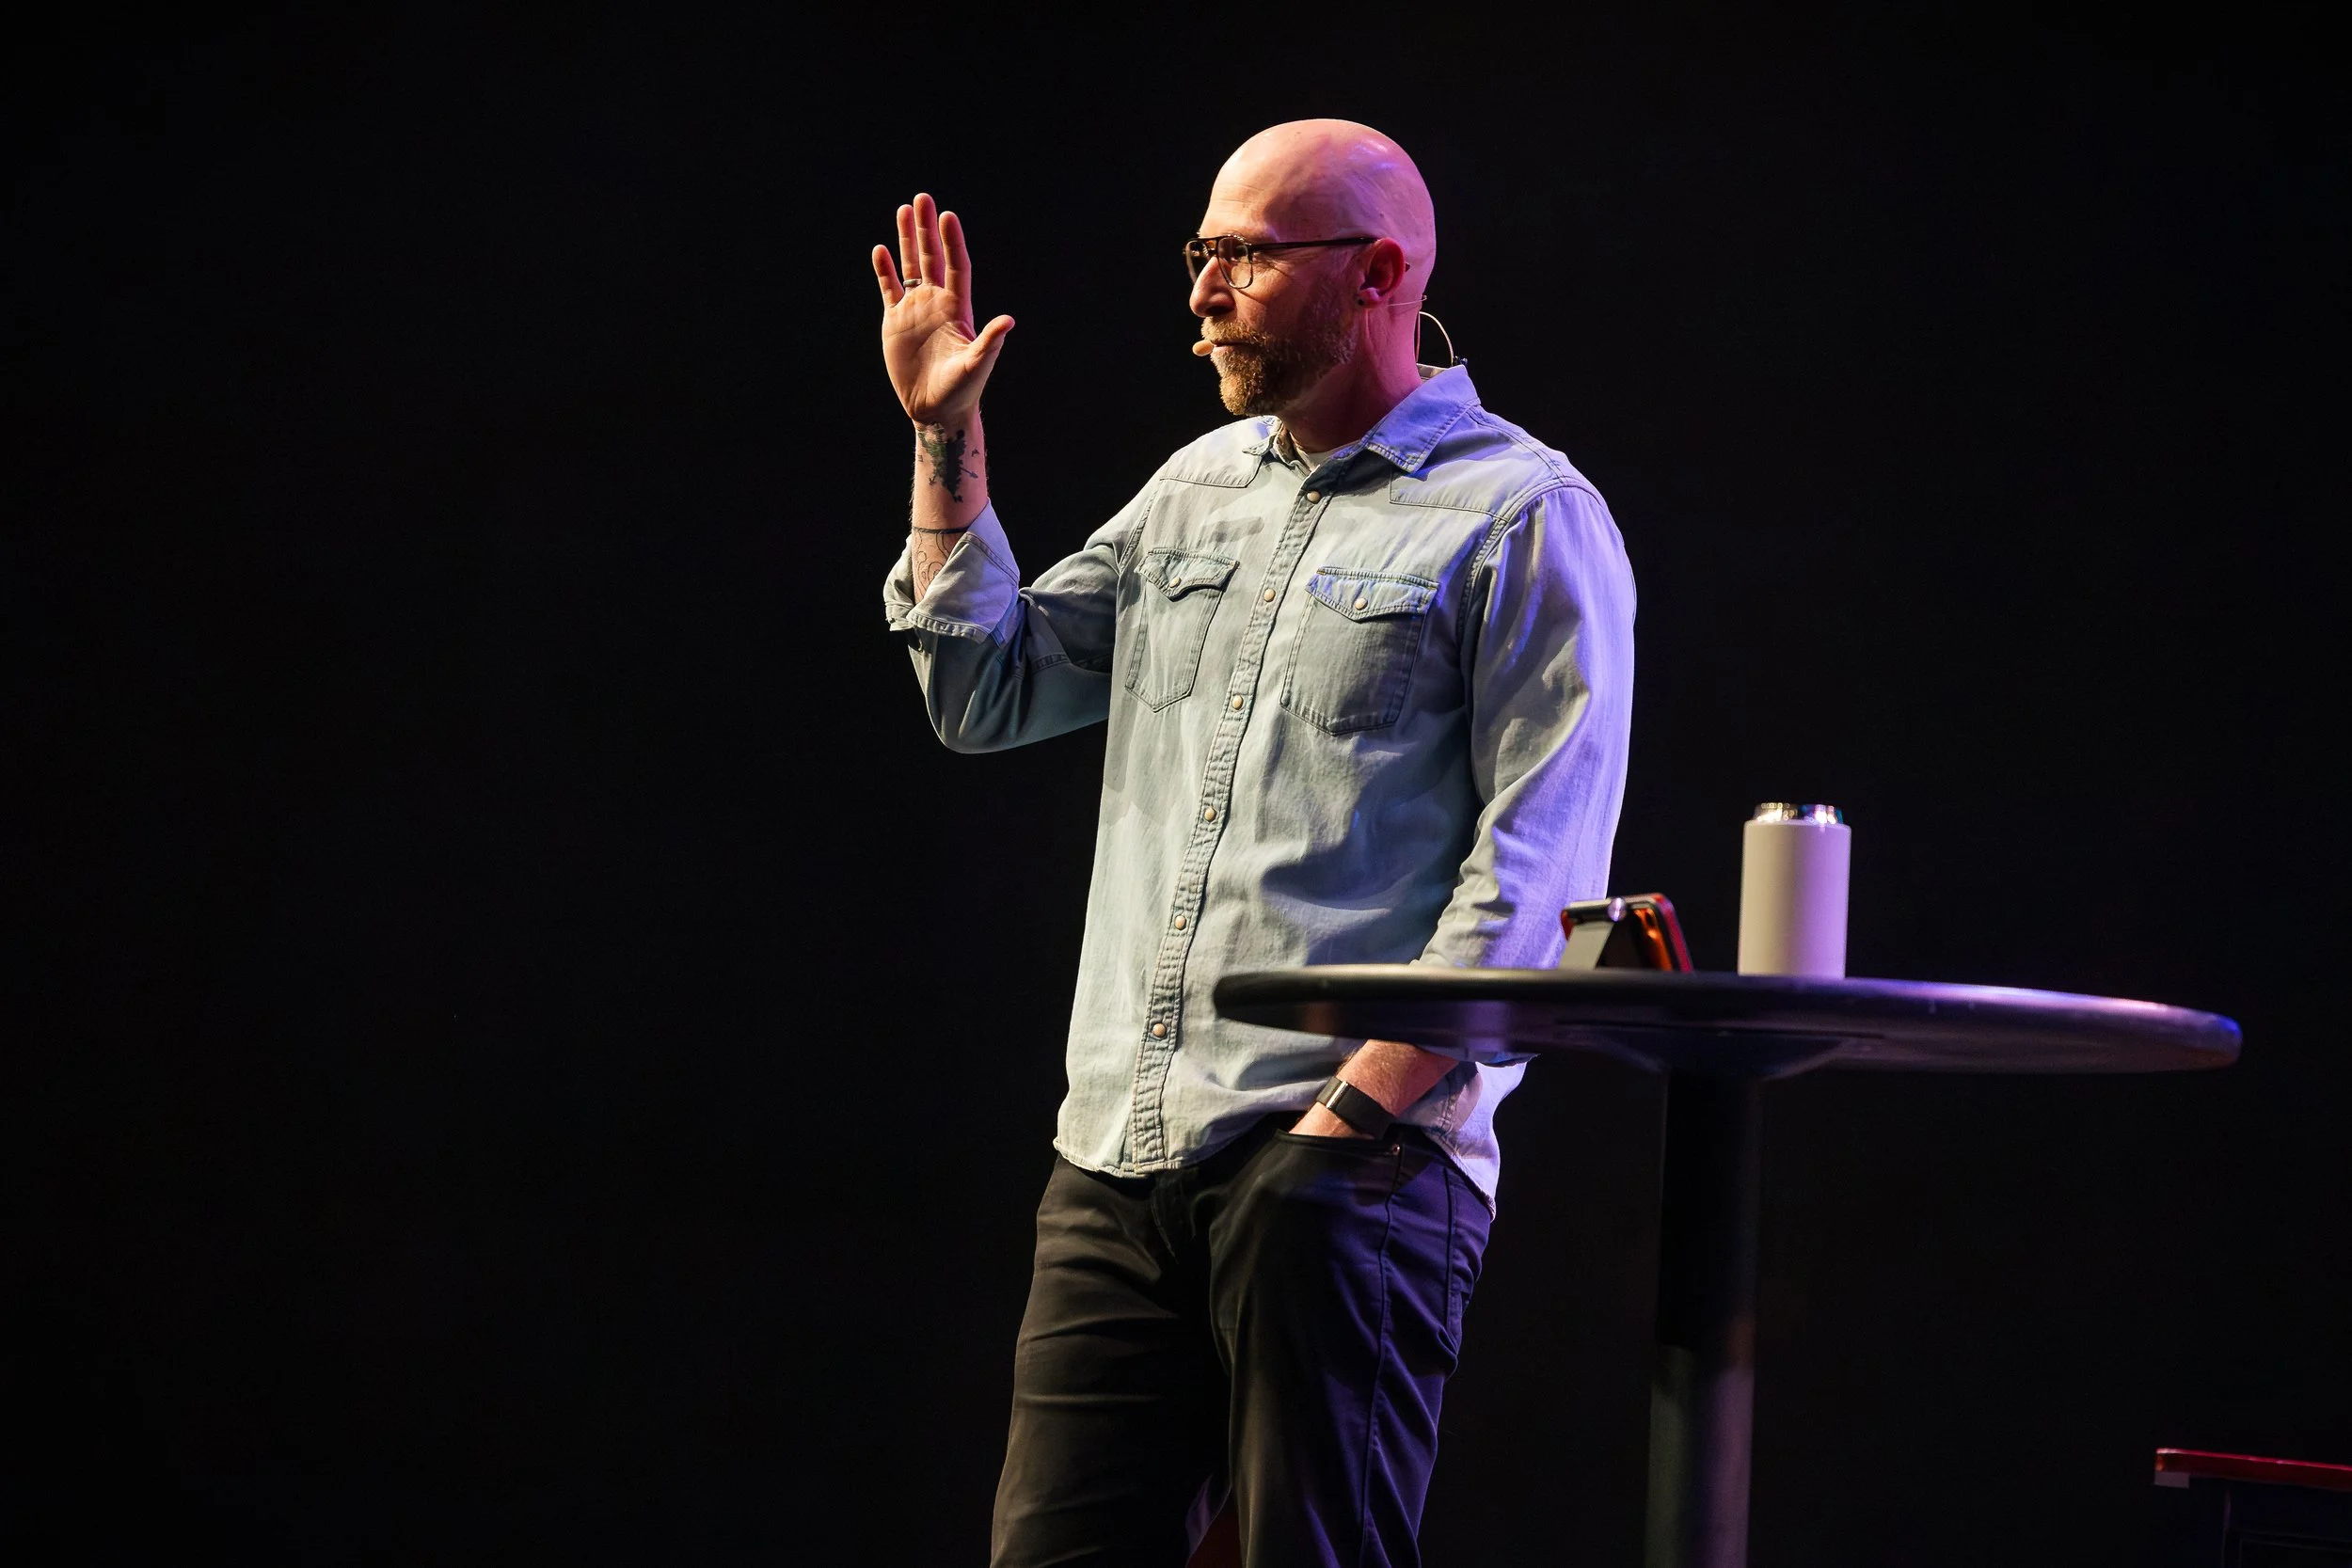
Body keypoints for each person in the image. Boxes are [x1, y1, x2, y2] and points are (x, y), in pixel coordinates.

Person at [874, 119, 1635, 1568]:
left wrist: (1349, 1128)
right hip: (1115, 1161)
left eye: (1244, 256)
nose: (1202, 292)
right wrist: (944, 438)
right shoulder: (1194, 491)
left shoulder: (1523, 514)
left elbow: (1540, 870)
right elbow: (988, 690)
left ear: (1379, 275)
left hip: (1346, 1168)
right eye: (1200, 252)